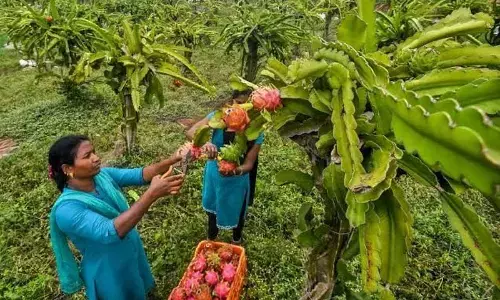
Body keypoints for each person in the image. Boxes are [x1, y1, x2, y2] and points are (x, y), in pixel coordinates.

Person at [48, 135, 186, 300]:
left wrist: (171, 160)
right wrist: (151, 195)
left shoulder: (102, 177)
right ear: (67, 169)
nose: (96, 158)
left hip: (128, 251)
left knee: (137, 288)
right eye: (87, 156)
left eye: (94, 152)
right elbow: (109, 231)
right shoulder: (67, 210)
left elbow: (141, 175)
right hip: (107, 271)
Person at [186, 91, 264, 244]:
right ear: (231, 101)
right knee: (213, 210)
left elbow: (249, 164)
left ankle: (236, 239)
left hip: (238, 179)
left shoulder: (256, 129)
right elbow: (191, 132)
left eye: (246, 105)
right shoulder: (218, 117)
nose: (241, 108)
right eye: (238, 102)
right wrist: (204, 143)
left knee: (238, 211)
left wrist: (236, 171)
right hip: (214, 174)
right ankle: (212, 238)